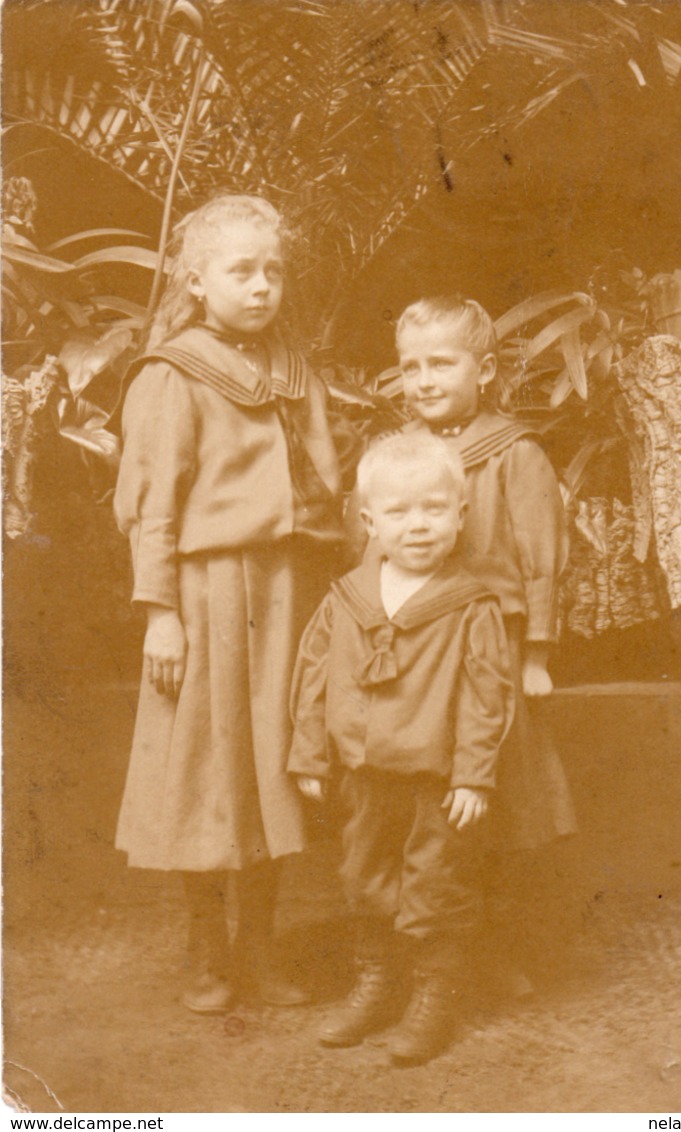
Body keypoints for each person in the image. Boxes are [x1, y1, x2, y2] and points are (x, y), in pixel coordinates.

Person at [113, 194, 344, 1015]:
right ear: (196, 280)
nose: (260, 286)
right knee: (205, 767)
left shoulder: (291, 367)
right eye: (240, 271)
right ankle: (208, 952)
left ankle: (261, 948)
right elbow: (152, 504)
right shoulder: (172, 374)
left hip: (286, 586)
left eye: (272, 270)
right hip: (204, 593)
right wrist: (160, 612)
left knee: (275, 764)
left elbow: (324, 482)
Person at [288, 433, 514, 1065]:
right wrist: (310, 753)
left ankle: (435, 994)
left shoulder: (471, 605)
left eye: (434, 509)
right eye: (399, 512)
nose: (418, 527)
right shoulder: (347, 599)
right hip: (362, 775)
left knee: (435, 882)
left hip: (435, 780)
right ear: (368, 522)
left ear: (460, 514)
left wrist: (473, 775)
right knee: (364, 876)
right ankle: (377, 983)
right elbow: (312, 676)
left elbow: (486, 695)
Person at [392, 295, 578, 987]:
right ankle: (435, 951)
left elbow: (539, 559)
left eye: (441, 363)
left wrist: (534, 654)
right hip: (422, 650)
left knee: (497, 798)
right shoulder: (400, 455)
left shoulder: (513, 453)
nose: (425, 380)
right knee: (433, 799)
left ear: (486, 370)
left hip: (494, 649)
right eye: (410, 367)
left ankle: (500, 949)